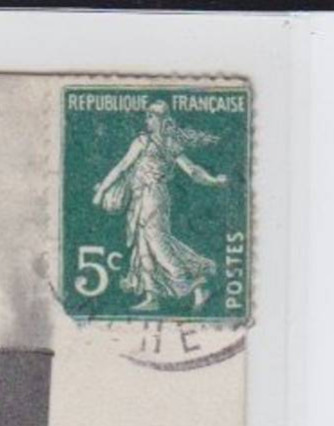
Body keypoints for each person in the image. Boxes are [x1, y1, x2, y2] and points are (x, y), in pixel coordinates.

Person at [92, 100, 230, 313]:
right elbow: (192, 171)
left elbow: (122, 168)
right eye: (147, 116)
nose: (147, 120)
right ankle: (152, 296)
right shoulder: (168, 144)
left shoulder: (145, 142)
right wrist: (214, 181)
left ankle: (193, 284)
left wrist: (102, 191)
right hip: (145, 198)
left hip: (152, 197)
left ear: (161, 120)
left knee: (157, 244)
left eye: (151, 116)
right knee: (143, 245)